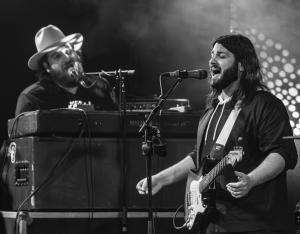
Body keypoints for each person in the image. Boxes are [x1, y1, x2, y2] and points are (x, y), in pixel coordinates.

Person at [136, 34, 298, 233]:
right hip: (212, 222)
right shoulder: (211, 111)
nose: (212, 61)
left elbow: (282, 152)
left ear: (241, 65)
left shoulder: (264, 105)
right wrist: (161, 178)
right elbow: (198, 158)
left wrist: (252, 179)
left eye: (221, 56)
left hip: (253, 222)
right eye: (212, 55)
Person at [15, 24, 117, 116]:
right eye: (57, 56)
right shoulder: (32, 98)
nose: (67, 58)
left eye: (68, 51)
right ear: (46, 66)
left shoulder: (100, 86)